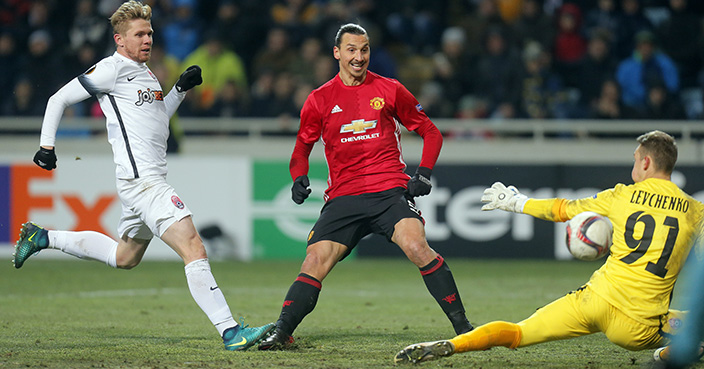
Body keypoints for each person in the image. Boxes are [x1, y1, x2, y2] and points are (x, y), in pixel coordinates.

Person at [12, 0, 273, 351]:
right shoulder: (112, 69)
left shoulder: (146, 73)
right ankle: (230, 331)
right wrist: (47, 147)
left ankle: (42, 238)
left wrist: (179, 90)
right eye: (139, 34)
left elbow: (157, 120)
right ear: (120, 39)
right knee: (194, 246)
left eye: (149, 33)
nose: (148, 39)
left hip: (139, 184)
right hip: (145, 183)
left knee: (125, 257)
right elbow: (57, 99)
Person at [395, 130, 704, 364]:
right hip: (638, 325)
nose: (633, 165)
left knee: (519, 333)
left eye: (635, 159)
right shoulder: (694, 211)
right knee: (696, 327)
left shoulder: (622, 195)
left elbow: (562, 209)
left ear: (646, 162)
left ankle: (454, 345)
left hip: (591, 302)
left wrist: (517, 203)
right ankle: (670, 353)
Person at [258, 23, 473, 350]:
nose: (359, 57)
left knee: (416, 247)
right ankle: (282, 331)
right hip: (343, 197)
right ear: (337, 53)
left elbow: (431, 132)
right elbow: (301, 148)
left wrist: (424, 173)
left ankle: (464, 329)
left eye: (364, 49)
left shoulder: (390, 90)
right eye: (352, 50)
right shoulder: (319, 99)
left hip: (389, 191)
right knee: (314, 262)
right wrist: (298, 177)